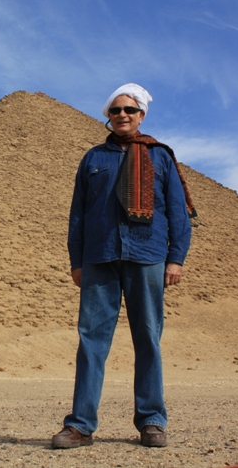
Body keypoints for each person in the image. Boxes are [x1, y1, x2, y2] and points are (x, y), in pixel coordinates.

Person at [52, 83, 196, 449]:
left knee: (148, 339)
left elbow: (178, 212)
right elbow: (78, 215)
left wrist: (176, 257)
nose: (122, 115)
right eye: (115, 110)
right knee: (91, 342)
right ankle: (80, 425)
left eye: (129, 110)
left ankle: (151, 421)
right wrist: (76, 260)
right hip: (99, 257)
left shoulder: (160, 157)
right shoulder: (93, 159)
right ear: (108, 116)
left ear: (141, 115)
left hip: (147, 256)